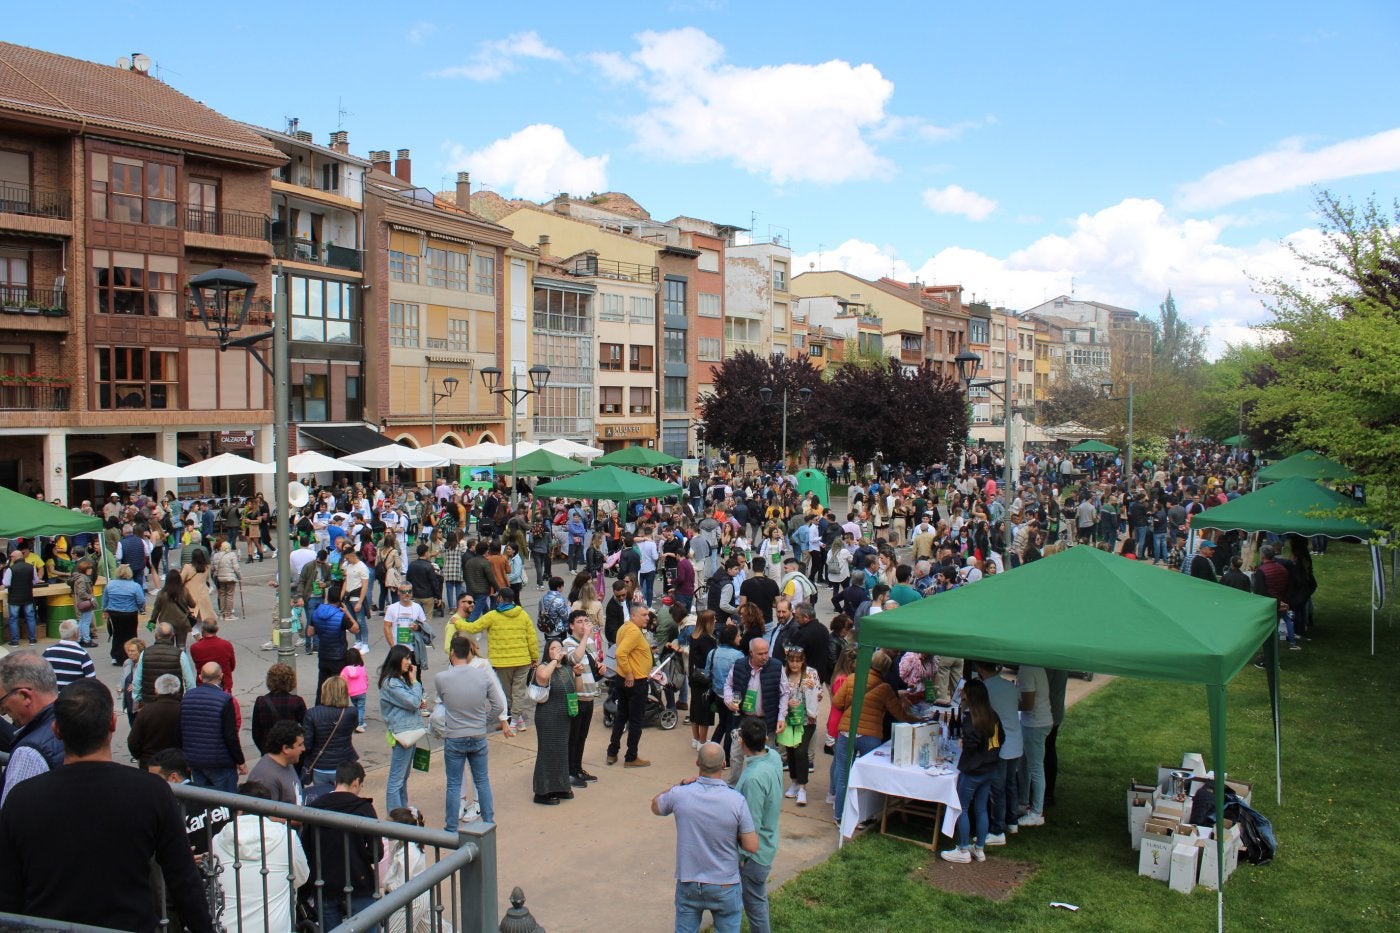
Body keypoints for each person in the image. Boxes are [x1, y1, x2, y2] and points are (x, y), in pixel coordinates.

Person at [0, 679, 215, 932]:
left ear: (56, 730)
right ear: (112, 723)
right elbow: (184, 881)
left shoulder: (21, 799)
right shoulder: (151, 792)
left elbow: (8, 893)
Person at [651, 742, 759, 933]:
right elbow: (751, 846)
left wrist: (681, 784)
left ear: (697, 763)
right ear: (724, 764)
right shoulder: (736, 800)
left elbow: (656, 806)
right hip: (725, 883)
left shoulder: (680, 794)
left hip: (689, 882)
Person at [208, 779, 310, 933]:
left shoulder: (217, 840)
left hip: (228, 928)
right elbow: (302, 876)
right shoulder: (287, 836)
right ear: (269, 809)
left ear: (237, 810)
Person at [436, 635, 512, 832]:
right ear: (469, 652)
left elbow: (442, 703)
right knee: (482, 780)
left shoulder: (442, 678)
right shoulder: (482, 675)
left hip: (455, 735)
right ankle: (488, 822)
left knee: (453, 784)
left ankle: (451, 828)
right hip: (477, 734)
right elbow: (498, 705)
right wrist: (484, 722)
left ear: (452, 652)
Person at [831, 651, 916, 818]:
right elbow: (899, 714)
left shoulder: (852, 678)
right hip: (871, 735)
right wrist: (917, 719)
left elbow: (837, 702)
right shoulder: (885, 688)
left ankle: (839, 815)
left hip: (847, 731)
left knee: (843, 774)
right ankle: (863, 816)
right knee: (868, 778)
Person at [304, 762, 381, 930]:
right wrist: (359, 855)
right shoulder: (364, 808)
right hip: (358, 882)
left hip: (324, 883)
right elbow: (377, 852)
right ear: (356, 782)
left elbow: (306, 848)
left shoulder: (314, 808)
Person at [940, 678, 1005, 864]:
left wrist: (964, 743)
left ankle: (962, 849)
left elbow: (971, 744)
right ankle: (980, 848)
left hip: (973, 771)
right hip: (990, 768)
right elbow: (1002, 738)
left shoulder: (971, 719)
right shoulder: (993, 715)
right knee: (981, 808)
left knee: (962, 808)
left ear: (970, 696)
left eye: (964, 692)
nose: (962, 694)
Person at [462, 585, 539, 732]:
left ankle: (514, 721)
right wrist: (534, 657)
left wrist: (456, 621)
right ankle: (518, 720)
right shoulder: (523, 615)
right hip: (523, 660)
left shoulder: (492, 616)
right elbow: (532, 638)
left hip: (502, 662)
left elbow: (472, 628)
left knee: (507, 694)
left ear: (500, 598)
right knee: (518, 692)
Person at [734, 717, 783, 933]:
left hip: (754, 855)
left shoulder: (754, 779)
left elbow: (750, 824)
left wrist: (744, 857)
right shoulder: (772, 756)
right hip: (767, 842)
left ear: (742, 742)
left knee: (755, 907)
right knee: (756, 900)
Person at [969, 661, 1023, 846]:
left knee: (997, 789)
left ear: (981, 669)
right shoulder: (1009, 686)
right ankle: (1012, 821)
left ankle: (998, 830)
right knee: (1010, 784)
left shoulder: (985, 689)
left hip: (1000, 744)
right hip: (1015, 741)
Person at [0, 651, 63, 805]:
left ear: (25, 696)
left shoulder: (29, 754)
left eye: (2, 703)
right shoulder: (79, 722)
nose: (2, 712)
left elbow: (13, 820)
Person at [722, 637, 784, 786]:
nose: (765, 657)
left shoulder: (776, 666)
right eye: (760, 654)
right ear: (751, 653)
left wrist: (782, 717)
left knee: (767, 754)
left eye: (766, 653)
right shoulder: (738, 665)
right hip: (743, 719)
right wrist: (729, 701)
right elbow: (728, 685)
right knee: (736, 753)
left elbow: (785, 692)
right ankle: (733, 784)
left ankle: (767, 784)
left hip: (766, 720)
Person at [181, 662, 246, 793]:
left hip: (195, 760)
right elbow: (230, 735)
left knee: (203, 803)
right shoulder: (225, 700)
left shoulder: (187, 697)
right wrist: (240, 760)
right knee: (226, 804)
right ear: (221, 676)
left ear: (200, 677)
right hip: (220, 761)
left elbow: (181, 729)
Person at [530, 638, 578, 805]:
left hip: (564, 716)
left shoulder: (566, 668)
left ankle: (560, 787)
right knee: (547, 752)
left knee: (561, 752)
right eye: (553, 648)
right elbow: (542, 677)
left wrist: (577, 674)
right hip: (548, 716)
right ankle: (542, 792)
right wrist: (555, 660)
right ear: (547, 652)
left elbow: (575, 688)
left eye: (559, 647)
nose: (557, 650)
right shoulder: (543, 667)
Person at [379, 644, 426, 812]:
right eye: (406, 658)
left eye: (410, 658)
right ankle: (396, 817)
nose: (409, 662)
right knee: (396, 779)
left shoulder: (398, 680)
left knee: (402, 777)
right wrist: (415, 682)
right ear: (397, 659)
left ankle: (402, 810)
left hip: (407, 733)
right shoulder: (391, 683)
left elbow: (412, 701)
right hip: (402, 734)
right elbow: (413, 702)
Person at [607, 606, 654, 768]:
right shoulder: (634, 631)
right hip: (635, 682)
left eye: (647, 614)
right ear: (633, 616)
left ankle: (612, 752)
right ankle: (631, 756)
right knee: (635, 720)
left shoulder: (625, 627)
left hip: (624, 679)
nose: (647, 617)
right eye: (643, 615)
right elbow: (620, 653)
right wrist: (629, 674)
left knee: (621, 716)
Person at [776, 645, 821, 807]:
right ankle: (794, 782)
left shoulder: (811, 673)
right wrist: (787, 702)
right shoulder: (783, 673)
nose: (795, 664)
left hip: (806, 720)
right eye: (792, 661)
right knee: (790, 750)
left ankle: (802, 787)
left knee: (801, 751)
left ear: (803, 661)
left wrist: (812, 690)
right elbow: (778, 693)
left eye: (798, 661)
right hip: (789, 719)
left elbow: (819, 694)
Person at [562, 610, 601, 785]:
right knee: (573, 736)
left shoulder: (591, 642)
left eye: (586, 620)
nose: (584, 624)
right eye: (579, 621)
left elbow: (591, 666)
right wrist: (585, 637)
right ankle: (570, 771)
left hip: (589, 694)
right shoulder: (567, 643)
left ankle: (578, 768)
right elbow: (575, 658)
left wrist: (600, 669)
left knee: (582, 736)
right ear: (571, 626)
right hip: (576, 696)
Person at [303, 675, 359, 787]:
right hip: (344, 764)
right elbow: (353, 727)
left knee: (322, 799)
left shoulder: (312, 713)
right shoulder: (351, 712)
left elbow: (307, 744)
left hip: (320, 765)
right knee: (343, 799)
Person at [1016, 662, 1053, 827]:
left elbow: (1028, 704)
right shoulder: (1036, 666)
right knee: (1024, 763)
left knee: (1036, 767)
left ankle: (1037, 812)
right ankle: (1023, 803)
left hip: (1035, 724)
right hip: (1034, 721)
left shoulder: (1027, 669)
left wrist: (1009, 702)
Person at [308, 582, 360, 697]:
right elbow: (356, 629)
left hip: (323, 655)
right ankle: (336, 710)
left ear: (327, 597)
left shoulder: (317, 612)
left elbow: (310, 632)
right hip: (338, 657)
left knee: (321, 686)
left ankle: (320, 709)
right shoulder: (340, 616)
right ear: (340, 600)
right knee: (337, 689)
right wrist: (347, 612)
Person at [133, 622, 196, 707]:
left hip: (149, 702)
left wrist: (137, 698)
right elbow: (189, 682)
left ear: (156, 635)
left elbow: (137, 680)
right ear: (172, 635)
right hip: (174, 702)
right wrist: (189, 701)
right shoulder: (180, 654)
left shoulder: (145, 653)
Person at [127, 673, 183, 766]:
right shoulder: (183, 710)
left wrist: (140, 757)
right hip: (178, 763)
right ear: (178, 690)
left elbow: (133, 741)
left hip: (150, 762)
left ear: (156, 690)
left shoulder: (146, 712)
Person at [252, 663, 307, 755]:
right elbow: (306, 728)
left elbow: (256, 732)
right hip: (291, 750)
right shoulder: (297, 701)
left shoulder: (261, 701)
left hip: (269, 751)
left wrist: (264, 749)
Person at [102, 564, 146, 665]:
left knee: (117, 634)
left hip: (114, 613)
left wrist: (105, 610)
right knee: (131, 634)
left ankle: (116, 656)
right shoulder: (135, 586)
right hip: (130, 613)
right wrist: (139, 608)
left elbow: (105, 599)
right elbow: (141, 600)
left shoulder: (110, 585)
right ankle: (131, 655)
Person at [384, 584, 432, 672]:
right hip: (398, 649)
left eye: (409, 591)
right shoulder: (391, 608)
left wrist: (417, 627)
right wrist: (393, 647)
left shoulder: (417, 607)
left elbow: (424, 625)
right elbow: (386, 627)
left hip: (414, 648)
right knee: (397, 674)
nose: (407, 594)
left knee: (415, 675)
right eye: (404, 592)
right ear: (398, 592)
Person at [42, 619, 96, 689]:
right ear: (76, 634)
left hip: (52, 697)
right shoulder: (82, 655)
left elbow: (40, 678)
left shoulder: (47, 652)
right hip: (74, 697)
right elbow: (92, 682)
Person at [189, 616, 236, 692]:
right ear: (217, 629)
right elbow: (232, 666)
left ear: (202, 630)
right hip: (224, 685)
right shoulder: (226, 645)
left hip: (203, 686)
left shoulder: (195, 647)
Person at [180, 548, 217, 628]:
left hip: (190, 595)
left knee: (192, 619)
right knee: (203, 618)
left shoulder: (188, 567)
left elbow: (180, 580)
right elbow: (207, 579)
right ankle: (202, 636)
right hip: (203, 595)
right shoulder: (206, 567)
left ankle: (198, 636)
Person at [340, 646, 370, 732]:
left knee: (356, 707)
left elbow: (342, 679)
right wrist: (366, 685)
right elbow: (365, 678)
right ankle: (359, 724)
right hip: (362, 691)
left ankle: (358, 721)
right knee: (361, 707)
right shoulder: (361, 668)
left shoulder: (345, 670)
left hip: (352, 692)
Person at [210, 541, 241, 621]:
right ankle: (229, 614)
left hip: (220, 578)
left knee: (222, 595)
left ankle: (222, 613)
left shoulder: (216, 555)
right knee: (230, 596)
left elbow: (212, 568)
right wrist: (239, 577)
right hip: (230, 578)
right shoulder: (232, 555)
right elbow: (236, 568)